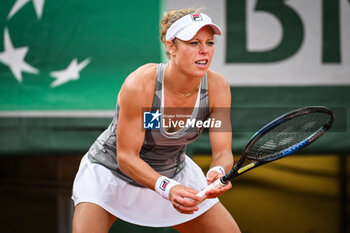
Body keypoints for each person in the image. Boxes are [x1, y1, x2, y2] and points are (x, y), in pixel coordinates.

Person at [72, 8, 241, 233]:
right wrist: (167, 188)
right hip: (110, 173)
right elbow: (126, 157)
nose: (204, 51)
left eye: (209, 43)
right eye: (193, 43)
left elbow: (222, 153)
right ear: (171, 46)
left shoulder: (218, 87)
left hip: (174, 172)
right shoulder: (140, 85)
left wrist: (218, 171)